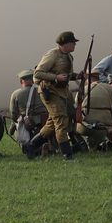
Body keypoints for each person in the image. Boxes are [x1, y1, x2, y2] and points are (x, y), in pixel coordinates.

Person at [23, 31, 83, 161]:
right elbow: (38, 73)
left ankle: (31, 146)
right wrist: (55, 77)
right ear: (65, 44)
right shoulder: (52, 55)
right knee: (61, 122)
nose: (74, 45)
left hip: (63, 92)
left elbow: (66, 75)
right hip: (50, 92)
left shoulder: (69, 57)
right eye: (73, 43)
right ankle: (68, 155)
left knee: (53, 123)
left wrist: (76, 76)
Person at [76, 76, 112, 151]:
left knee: (72, 128)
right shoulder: (108, 87)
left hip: (87, 126)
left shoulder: (85, 89)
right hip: (105, 126)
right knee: (97, 139)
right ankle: (103, 144)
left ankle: (83, 146)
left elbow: (77, 102)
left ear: (89, 80)